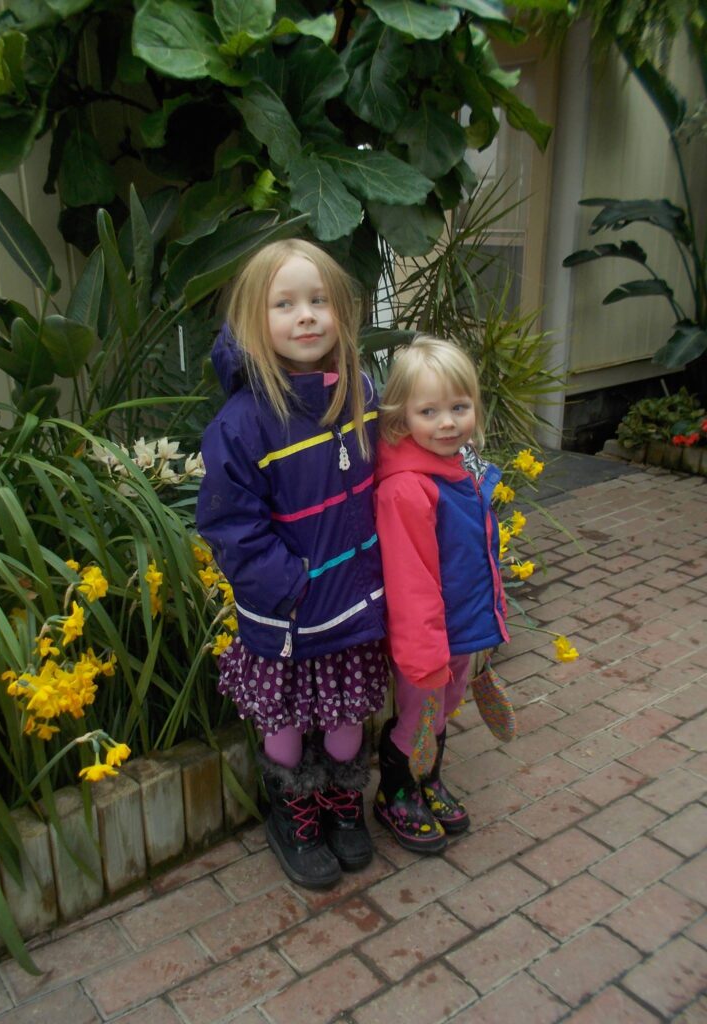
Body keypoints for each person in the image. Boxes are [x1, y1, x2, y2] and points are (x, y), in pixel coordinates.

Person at [197, 239, 387, 889]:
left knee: (344, 718)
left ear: (342, 313)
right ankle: (293, 808)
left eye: (319, 301)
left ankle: (340, 802)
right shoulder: (243, 424)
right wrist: (290, 586)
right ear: (255, 319)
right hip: (291, 615)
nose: (305, 316)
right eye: (285, 304)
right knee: (284, 723)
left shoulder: (359, 391)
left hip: (354, 606)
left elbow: (384, 482)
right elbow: (230, 524)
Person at [373, 335, 509, 853]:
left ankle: (427, 778)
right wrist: (423, 655)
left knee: (443, 708)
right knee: (419, 714)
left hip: (459, 628)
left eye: (459, 406)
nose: (448, 422)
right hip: (428, 639)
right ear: (402, 418)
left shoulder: (462, 467)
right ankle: (396, 791)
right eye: (429, 411)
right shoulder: (409, 488)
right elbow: (411, 584)